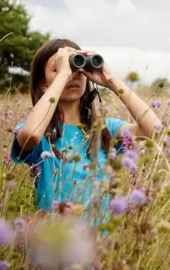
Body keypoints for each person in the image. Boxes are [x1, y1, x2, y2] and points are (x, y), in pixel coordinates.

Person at [10, 39, 161, 223]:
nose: (73, 75)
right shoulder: (40, 131)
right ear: (43, 83)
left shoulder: (105, 130)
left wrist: (110, 80)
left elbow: (154, 130)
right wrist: (63, 75)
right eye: (59, 68)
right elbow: (30, 135)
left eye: (77, 67)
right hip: (54, 245)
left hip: (99, 247)